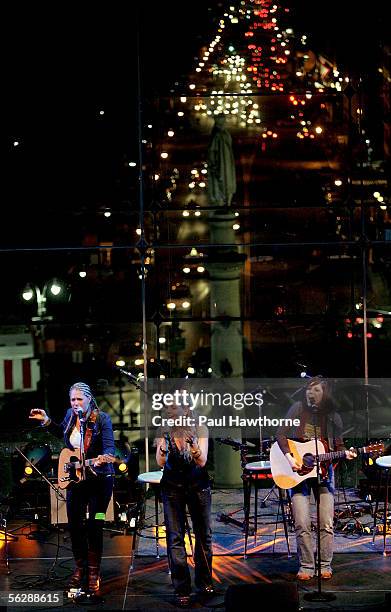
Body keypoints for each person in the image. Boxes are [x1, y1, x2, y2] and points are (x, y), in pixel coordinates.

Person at [29, 381, 115, 593]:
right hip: (75, 481)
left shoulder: (102, 418)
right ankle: (80, 569)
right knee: (75, 525)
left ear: (88, 399)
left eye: (79, 399)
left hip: (99, 481)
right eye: (72, 399)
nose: (75, 403)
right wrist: (47, 421)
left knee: (95, 524)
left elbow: (110, 448)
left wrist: (101, 459)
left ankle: (94, 572)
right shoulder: (70, 415)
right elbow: (62, 434)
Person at [276, 376, 356, 581]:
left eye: (316, 391)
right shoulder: (296, 409)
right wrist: (290, 458)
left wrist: (344, 454)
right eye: (309, 390)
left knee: (326, 522)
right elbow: (281, 434)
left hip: (323, 473)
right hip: (298, 472)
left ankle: (324, 565)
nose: (311, 394)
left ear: (325, 393)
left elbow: (338, 447)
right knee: (302, 522)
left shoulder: (333, 417)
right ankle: (306, 565)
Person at [155, 402, 213, 608]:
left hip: (198, 486)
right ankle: (182, 588)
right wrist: (163, 447)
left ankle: (205, 582)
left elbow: (202, 461)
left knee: (203, 535)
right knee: (175, 537)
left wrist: (194, 446)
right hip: (172, 486)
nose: (168, 411)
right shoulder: (164, 430)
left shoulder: (200, 428)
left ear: (186, 410)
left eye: (173, 408)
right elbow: (160, 463)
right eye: (167, 408)